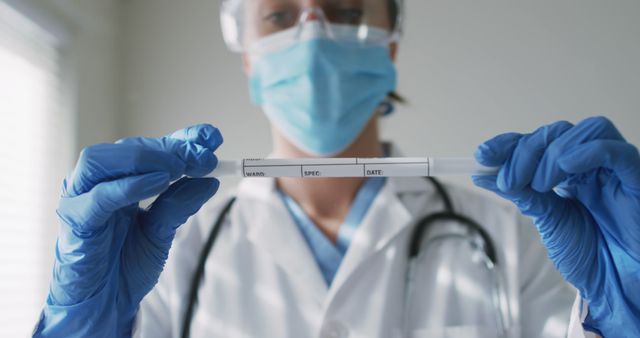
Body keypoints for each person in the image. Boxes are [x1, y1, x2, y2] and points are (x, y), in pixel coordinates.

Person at [33, 1, 639, 337]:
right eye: (279, 16)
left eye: (345, 6)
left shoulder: (511, 238)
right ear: (247, 55)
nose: (314, 31)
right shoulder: (171, 256)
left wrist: (629, 314)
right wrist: (85, 329)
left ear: (391, 42)